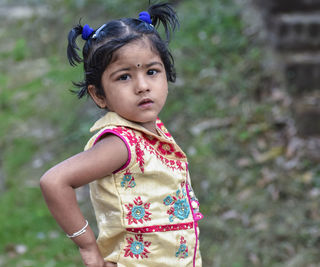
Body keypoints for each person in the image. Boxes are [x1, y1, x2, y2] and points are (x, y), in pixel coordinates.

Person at [40, 3, 203, 266]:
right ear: (99, 95)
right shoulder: (121, 144)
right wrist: (87, 246)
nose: (142, 86)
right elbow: (54, 181)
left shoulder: (154, 133)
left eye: (152, 72)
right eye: (124, 77)